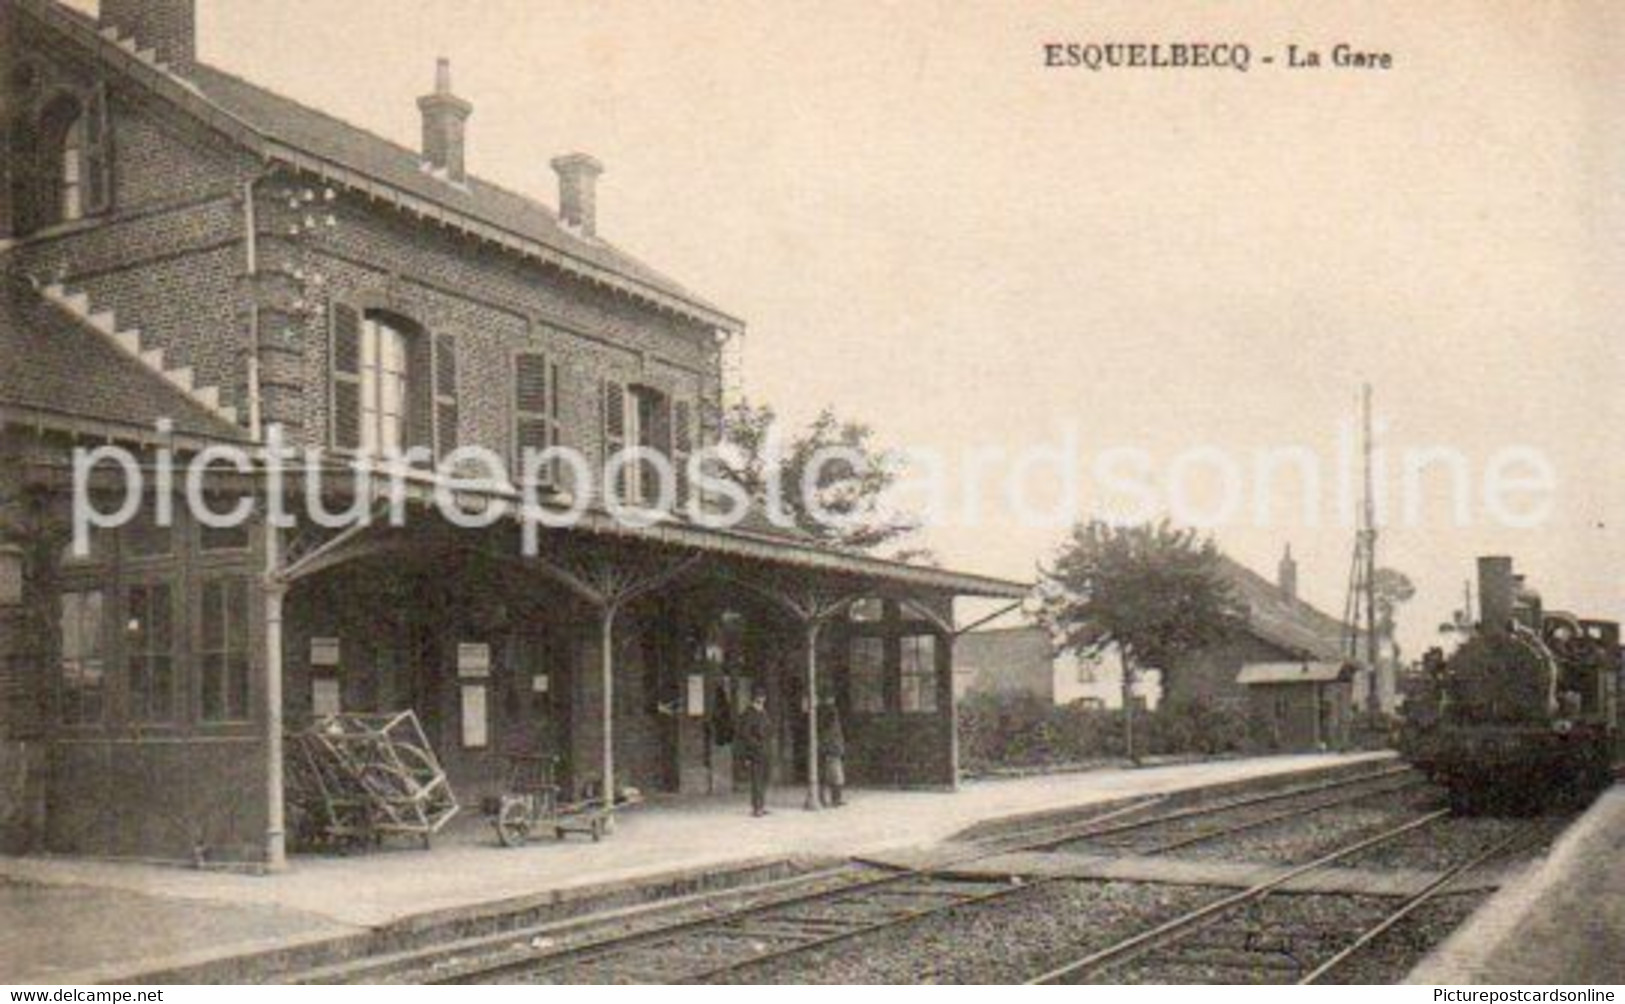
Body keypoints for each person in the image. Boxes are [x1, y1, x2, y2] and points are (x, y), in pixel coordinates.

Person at [737, 690, 772, 816]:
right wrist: (754, 747)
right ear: (755, 699)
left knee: (764, 779)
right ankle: (756, 807)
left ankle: (761, 805)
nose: (762, 700)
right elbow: (745, 734)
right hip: (755, 752)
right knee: (756, 779)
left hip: (764, 750)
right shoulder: (749, 713)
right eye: (760, 698)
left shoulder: (763, 712)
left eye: (763, 697)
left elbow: (768, 729)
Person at [817, 695, 846, 807]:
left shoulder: (830, 713)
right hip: (831, 749)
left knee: (833, 775)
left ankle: (833, 799)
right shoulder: (829, 713)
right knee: (834, 775)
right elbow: (831, 734)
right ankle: (833, 799)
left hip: (832, 748)